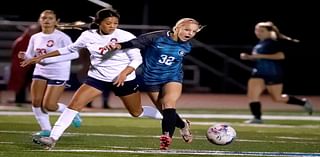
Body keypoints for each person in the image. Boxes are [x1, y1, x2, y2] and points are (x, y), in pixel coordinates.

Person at [20, 8, 162, 149]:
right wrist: (39, 57)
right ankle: (52, 138)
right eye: (108, 23)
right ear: (99, 23)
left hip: (123, 79)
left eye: (115, 23)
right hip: (97, 78)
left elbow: (137, 59)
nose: (112, 26)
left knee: (137, 112)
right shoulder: (88, 35)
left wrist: (124, 73)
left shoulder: (125, 36)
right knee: (73, 106)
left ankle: (170, 117)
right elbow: (69, 49)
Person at [106, 17, 204, 150]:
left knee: (168, 103)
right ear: (177, 28)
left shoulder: (188, 46)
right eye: (187, 29)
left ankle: (166, 137)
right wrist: (119, 46)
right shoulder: (157, 37)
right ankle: (183, 125)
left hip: (173, 77)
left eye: (193, 32)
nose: (190, 34)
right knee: (166, 112)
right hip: (151, 79)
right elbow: (136, 42)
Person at [18, 10, 82, 143]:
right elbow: (32, 56)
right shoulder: (35, 37)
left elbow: (75, 54)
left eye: (50, 18)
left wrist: (50, 60)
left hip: (59, 72)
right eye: (44, 18)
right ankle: (46, 129)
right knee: (36, 102)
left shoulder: (62, 37)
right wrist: (25, 56)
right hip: (40, 71)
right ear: (39, 20)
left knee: (49, 105)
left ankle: (72, 112)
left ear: (56, 21)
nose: (46, 20)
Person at [240, 21, 313, 124]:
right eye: (256, 30)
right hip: (258, 72)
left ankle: (303, 102)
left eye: (261, 30)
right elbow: (259, 58)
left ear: (270, 31)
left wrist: (258, 56)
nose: (258, 32)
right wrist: (249, 57)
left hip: (273, 73)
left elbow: (280, 56)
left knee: (277, 98)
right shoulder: (260, 43)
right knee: (252, 94)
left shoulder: (272, 42)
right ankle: (257, 118)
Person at [7, 24, 41, 106]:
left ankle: (22, 99)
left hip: (24, 64)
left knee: (25, 82)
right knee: (22, 82)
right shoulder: (25, 40)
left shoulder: (25, 39)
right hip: (22, 64)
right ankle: (20, 99)